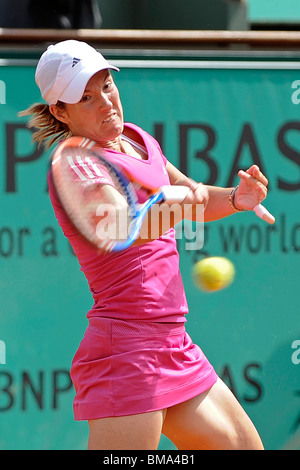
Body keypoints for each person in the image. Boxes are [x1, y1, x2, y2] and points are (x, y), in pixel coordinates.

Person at [20, 40, 269, 450]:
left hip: (172, 340)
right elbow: (120, 227)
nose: (105, 102)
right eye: (85, 97)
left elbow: (195, 196)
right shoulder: (75, 163)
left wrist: (237, 199)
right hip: (127, 351)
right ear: (60, 113)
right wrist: (163, 206)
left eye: (105, 86)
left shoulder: (139, 139)